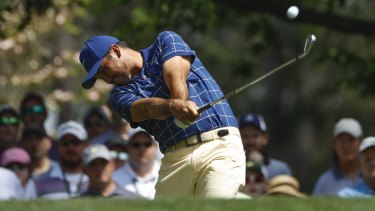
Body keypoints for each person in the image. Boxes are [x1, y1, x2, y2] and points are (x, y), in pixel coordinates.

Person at [78, 31, 245, 198]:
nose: (106, 79)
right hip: (175, 158)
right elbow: (146, 109)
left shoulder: (165, 41)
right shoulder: (118, 96)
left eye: (103, 70)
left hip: (219, 145)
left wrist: (180, 103)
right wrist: (173, 106)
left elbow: (175, 74)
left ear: (115, 50)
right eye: (100, 77)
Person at [34, 121, 89, 199]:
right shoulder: (40, 182)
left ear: (85, 145)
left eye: (75, 143)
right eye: (65, 143)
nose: (70, 148)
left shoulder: (97, 180)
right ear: (57, 147)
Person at [313, 118, 362, 196]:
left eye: (351, 140)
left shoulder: (371, 177)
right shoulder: (325, 183)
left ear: (360, 142)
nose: (346, 146)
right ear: (335, 145)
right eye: (342, 141)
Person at [238, 113, 292, 179]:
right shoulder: (230, 169)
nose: (250, 141)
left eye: (255, 136)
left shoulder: (280, 170)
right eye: (244, 136)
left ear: (265, 138)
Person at [112, 129, 160, 199]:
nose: (142, 149)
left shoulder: (167, 173)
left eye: (147, 144)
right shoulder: (115, 177)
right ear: (127, 148)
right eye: (136, 145)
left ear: (155, 147)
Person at [19, 92, 59, 161]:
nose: (33, 115)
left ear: (46, 114)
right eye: (28, 111)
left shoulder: (59, 148)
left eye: (38, 110)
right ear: (21, 116)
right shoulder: (15, 148)